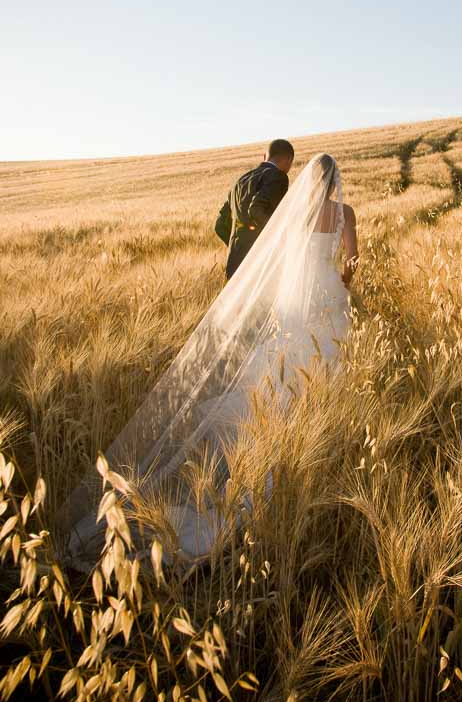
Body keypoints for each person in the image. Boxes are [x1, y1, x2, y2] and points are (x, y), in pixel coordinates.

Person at [62, 153, 359, 562]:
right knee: (325, 366)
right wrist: (338, 284)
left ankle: (257, 447)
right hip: (327, 296)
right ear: (334, 182)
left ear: (308, 179)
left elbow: (285, 261)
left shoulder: (295, 216)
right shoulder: (345, 212)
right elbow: (353, 262)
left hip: (294, 302)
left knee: (276, 374)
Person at [219, 138, 294, 279]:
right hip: (260, 261)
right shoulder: (278, 177)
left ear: (264, 156)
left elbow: (219, 224)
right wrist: (276, 237)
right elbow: (256, 210)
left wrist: (238, 242)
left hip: (234, 260)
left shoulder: (241, 180)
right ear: (288, 159)